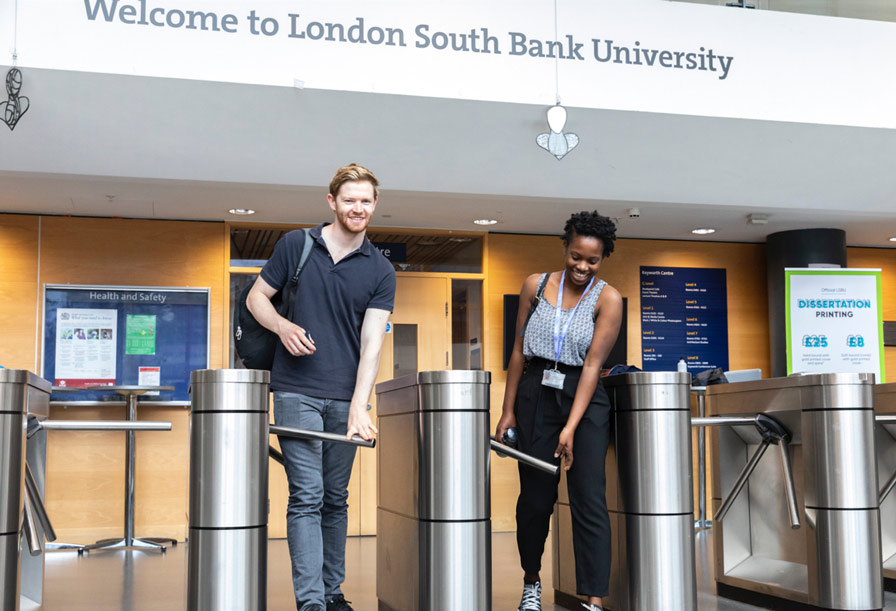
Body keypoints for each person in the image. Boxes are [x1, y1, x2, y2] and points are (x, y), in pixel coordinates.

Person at [247, 164, 395, 611]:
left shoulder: (381, 269)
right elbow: (256, 297)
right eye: (349, 199)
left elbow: (372, 344)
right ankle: (311, 601)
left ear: (374, 205)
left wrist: (359, 406)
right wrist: (281, 325)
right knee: (307, 495)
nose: (358, 207)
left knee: (336, 497)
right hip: (295, 389)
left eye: (366, 200)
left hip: (344, 395)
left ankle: (333, 593)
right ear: (332, 202)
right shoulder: (297, 245)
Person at [496, 211, 622, 611]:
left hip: (583, 401)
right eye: (576, 256)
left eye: (592, 260)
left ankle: (594, 600)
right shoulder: (535, 285)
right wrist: (507, 410)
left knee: (589, 499)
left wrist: (570, 427)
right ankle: (531, 581)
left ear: (602, 259)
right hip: (535, 391)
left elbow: (591, 366)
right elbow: (518, 351)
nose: (582, 266)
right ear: (565, 248)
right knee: (535, 500)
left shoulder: (608, 298)